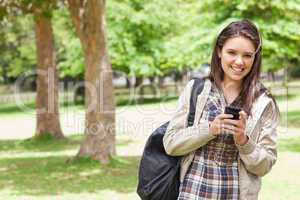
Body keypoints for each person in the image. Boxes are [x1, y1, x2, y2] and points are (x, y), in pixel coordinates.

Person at [163, 19, 279, 200]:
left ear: (255, 58)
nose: (239, 62)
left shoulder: (263, 103)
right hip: (192, 193)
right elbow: (171, 144)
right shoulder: (196, 89)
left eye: (247, 55)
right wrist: (209, 129)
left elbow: (264, 166)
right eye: (231, 52)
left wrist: (243, 141)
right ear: (219, 51)